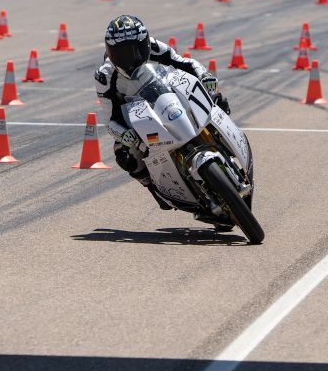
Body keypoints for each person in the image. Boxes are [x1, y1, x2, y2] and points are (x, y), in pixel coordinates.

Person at [94, 14, 231, 221]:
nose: (128, 58)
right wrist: (126, 135)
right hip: (134, 114)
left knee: (216, 98)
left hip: (164, 94)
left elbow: (186, 64)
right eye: (120, 52)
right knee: (123, 153)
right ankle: (153, 188)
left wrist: (205, 77)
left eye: (134, 49)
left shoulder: (155, 47)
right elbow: (110, 119)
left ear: (144, 43)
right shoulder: (105, 76)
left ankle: (226, 145)